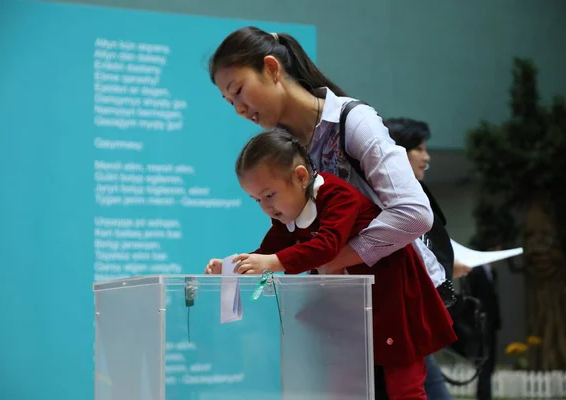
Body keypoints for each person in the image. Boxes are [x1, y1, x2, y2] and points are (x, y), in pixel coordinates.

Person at [205, 129, 457, 399]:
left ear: (301, 176)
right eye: (257, 200)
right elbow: (268, 252)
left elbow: (326, 246)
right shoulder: (288, 215)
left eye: (269, 195)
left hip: (393, 300)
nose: (266, 207)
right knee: (342, 385)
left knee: (405, 387)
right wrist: (233, 266)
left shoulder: (338, 196)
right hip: (349, 307)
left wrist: (272, 261)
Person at [208, 26, 452, 296]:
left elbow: (414, 215)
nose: (239, 109)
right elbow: (292, 235)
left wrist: (331, 259)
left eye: (239, 90)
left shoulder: (355, 122)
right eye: (230, 102)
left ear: (271, 68)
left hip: (404, 295)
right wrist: (241, 267)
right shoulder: (279, 149)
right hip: (348, 298)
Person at [386, 117, 464, 399]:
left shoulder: (414, 194)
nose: (427, 157)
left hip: (412, 324)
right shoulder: (389, 200)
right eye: (418, 148)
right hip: (398, 325)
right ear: (395, 151)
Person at [466, 243, 502, 400]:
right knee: (483, 362)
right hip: (481, 325)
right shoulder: (476, 271)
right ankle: (483, 396)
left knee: (490, 362)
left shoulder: (492, 272)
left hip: (491, 324)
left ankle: (486, 394)